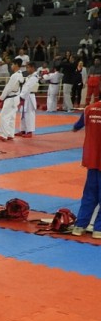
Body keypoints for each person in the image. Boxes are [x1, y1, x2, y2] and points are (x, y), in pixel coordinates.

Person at [71, 100, 101, 239]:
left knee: (90, 194)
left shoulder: (89, 108)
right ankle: (98, 229)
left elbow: (77, 126)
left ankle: (80, 226)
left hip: (92, 159)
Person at [0, 58, 23, 142]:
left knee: (3, 116)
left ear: (16, 65)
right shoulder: (20, 75)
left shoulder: (15, 76)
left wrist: (1, 98)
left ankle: (3, 135)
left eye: (12, 64)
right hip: (16, 98)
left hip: (11, 98)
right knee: (11, 117)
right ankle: (10, 134)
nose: (11, 66)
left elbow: (8, 88)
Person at [17, 63, 41, 138]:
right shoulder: (29, 76)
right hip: (25, 96)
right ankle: (23, 130)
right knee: (23, 114)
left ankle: (29, 131)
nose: (27, 69)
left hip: (29, 97)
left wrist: (21, 96)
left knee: (29, 114)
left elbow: (28, 87)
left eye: (28, 67)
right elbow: (24, 87)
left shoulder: (34, 77)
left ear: (32, 67)